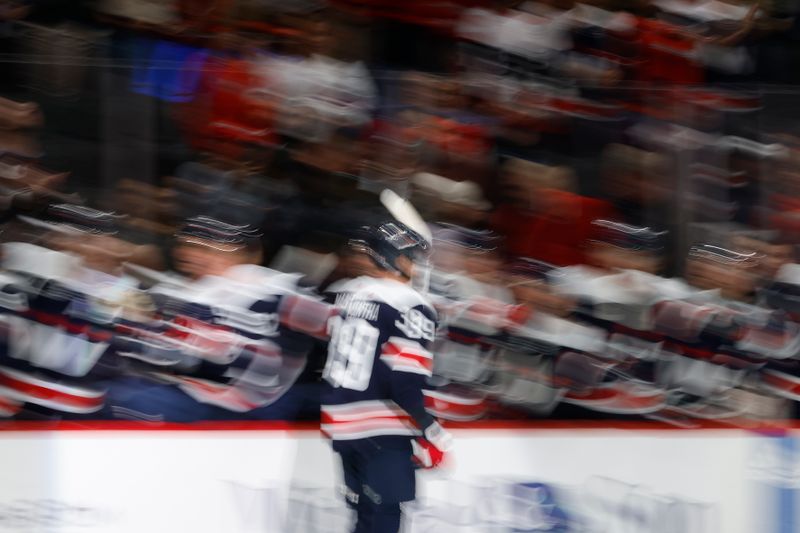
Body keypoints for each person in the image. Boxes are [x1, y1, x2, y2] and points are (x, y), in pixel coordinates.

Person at [321, 220, 452, 533]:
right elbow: (404, 383)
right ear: (398, 259)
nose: (419, 266)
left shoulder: (344, 293)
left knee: (363, 518)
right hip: (381, 426)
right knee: (383, 520)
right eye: (415, 258)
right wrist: (430, 430)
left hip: (341, 424)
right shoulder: (412, 306)